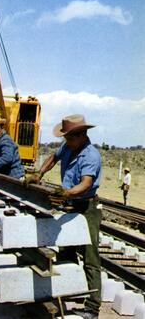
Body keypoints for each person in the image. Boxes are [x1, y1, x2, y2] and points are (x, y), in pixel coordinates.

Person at [31, 114, 102, 319]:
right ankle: (74, 290)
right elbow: (53, 158)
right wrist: (39, 173)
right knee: (66, 250)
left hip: (87, 206)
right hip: (71, 204)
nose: (66, 141)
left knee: (90, 257)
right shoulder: (69, 146)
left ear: (82, 135)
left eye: (70, 137)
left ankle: (92, 308)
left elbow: (86, 183)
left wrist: (66, 193)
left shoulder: (90, 155)